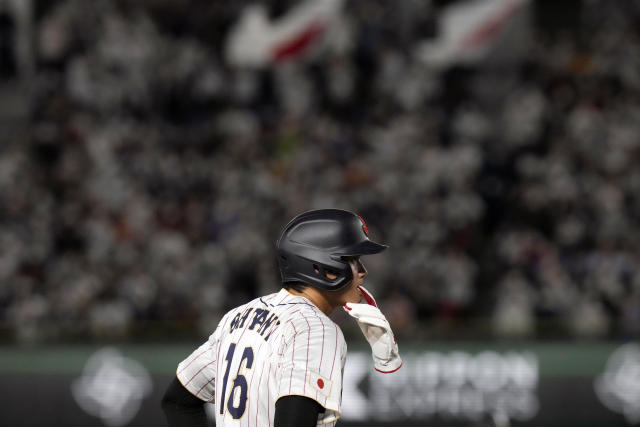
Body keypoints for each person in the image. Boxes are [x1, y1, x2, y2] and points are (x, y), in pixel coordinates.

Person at [161, 208, 402, 427]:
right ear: (324, 268)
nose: (363, 271)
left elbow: (177, 402)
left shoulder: (237, 317)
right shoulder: (315, 328)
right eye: (353, 260)